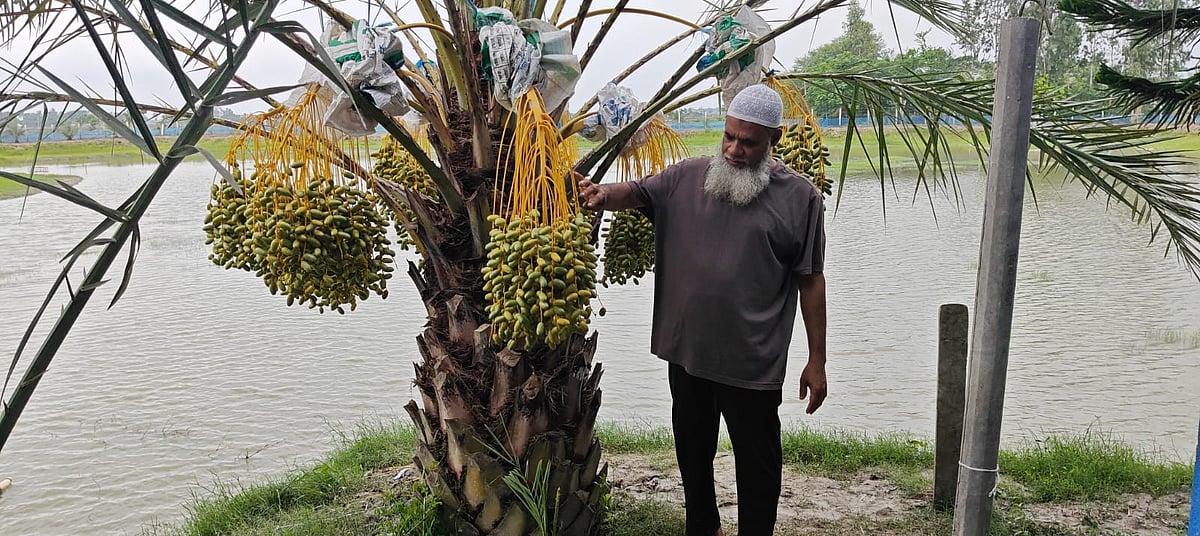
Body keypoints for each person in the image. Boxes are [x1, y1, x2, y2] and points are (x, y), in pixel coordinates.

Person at [577, 84, 827, 536]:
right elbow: (633, 193)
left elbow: (810, 280)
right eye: (729, 136)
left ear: (776, 139)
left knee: (758, 462)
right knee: (692, 452)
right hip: (688, 353)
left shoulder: (800, 199)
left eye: (749, 142)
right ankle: (703, 527)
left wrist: (817, 359)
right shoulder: (687, 177)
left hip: (751, 362)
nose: (733, 149)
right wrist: (600, 195)